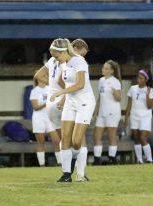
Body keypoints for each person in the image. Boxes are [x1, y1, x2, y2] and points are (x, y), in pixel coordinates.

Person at [49, 38, 95, 182]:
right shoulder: (64, 64)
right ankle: (66, 174)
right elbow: (65, 82)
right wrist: (64, 98)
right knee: (65, 139)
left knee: (76, 142)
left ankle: (75, 166)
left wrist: (60, 93)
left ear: (64, 52)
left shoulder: (79, 61)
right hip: (70, 103)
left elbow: (81, 84)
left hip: (85, 103)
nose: (55, 59)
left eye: (56, 56)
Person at [93, 60, 122, 165]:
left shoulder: (115, 82)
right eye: (103, 68)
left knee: (111, 136)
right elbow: (99, 98)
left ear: (111, 71)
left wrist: (115, 93)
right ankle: (97, 160)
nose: (103, 70)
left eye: (106, 68)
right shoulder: (101, 80)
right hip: (102, 112)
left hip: (112, 112)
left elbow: (119, 98)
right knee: (96, 135)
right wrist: (95, 112)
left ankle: (112, 159)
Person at [124, 69, 153, 164]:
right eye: (138, 78)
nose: (139, 80)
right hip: (134, 116)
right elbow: (129, 104)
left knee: (143, 138)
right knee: (136, 138)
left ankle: (149, 159)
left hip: (145, 116)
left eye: (141, 78)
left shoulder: (151, 90)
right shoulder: (132, 89)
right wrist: (126, 118)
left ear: (146, 79)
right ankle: (139, 160)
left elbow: (149, 106)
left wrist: (147, 95)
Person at [30, 76, 61, 166]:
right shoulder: (34, 91)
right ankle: (42, 165)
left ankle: (60, 163)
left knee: (56, 141)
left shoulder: (50, 89)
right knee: (41, 142)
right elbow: (35, 107)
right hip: (39, 118)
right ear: (37, 78)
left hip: (51, 117)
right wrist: (46, 103)